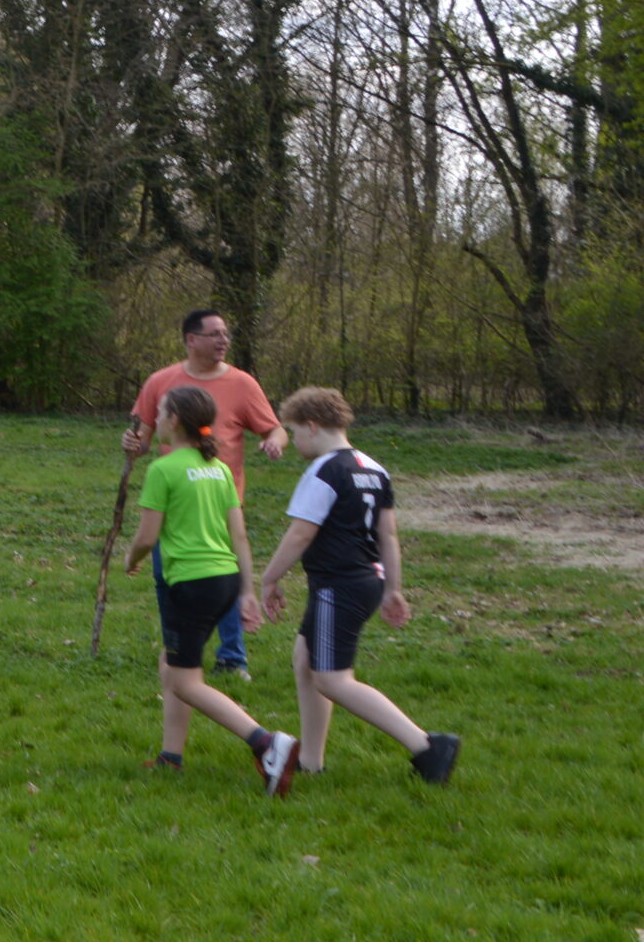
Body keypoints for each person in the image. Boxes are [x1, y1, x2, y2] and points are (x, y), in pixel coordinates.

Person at [257, 387, 460, 784]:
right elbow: (389, 536)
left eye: (295, 430)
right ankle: (310, 761)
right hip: (365, 581)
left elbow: (301, 534)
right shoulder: (374, 468)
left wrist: (269, 577)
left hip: (339, 585)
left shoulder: (325, 471)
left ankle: (427, 746)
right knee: (305, 659)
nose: (294, 439)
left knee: (332, 678)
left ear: (313, 427)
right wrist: (393, 588)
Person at [124, 384, 297, 794]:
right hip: (223, 580)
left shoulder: (163, 470)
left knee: (185, 680)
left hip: (190, 583)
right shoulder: (218, 468)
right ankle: (171, 756)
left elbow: (148, 537)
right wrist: (247, 589)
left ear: (175, 421)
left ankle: (267, 743)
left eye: (162, 411)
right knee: (173, 664)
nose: (157, 417)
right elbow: (239, 536)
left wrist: (129, 560)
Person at [123, 309, 287, 678]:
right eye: (214, 334)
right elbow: (143, 439)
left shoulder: (243, 383)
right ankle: (179, 651)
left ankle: (232, 658)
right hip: (174, 502)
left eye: (226, 333)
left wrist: (275, 443)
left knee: (221, 573)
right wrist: (132, 443)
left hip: (222, 500)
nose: (223, 340)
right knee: (168, 577)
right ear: (190, 339)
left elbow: (275, 429)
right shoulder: (160, 381)